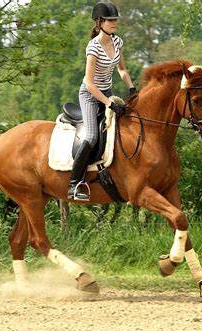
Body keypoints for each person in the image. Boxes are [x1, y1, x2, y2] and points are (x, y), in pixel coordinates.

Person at [67, 1, 137, 201]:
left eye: (115, 19)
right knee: (91, 137)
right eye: (109, 20)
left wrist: (131, 88)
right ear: (99, 23)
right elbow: (89, 84)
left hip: (107, 92)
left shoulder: (117, 42)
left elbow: (121, 69)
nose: (114, 23)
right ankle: (74, 184)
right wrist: (108, 103)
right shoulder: (93, 47)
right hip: (90, 95)